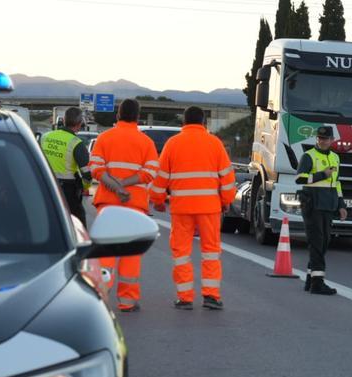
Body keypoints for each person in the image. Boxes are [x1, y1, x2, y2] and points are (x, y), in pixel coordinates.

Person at [149, 106, 236, 310]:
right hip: (209, 208)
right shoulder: (215, 143)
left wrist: (158, 200)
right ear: (203, 123)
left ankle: (185, 297)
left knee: (181, 253)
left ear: (183, 123)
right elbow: (227, 177)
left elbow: (161, 177)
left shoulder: (173, 144)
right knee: (211, 252)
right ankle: (211, 296)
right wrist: (225, 200)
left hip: (182, 208)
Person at [88, 99, 159, 312]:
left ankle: (100, 295)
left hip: (108, 204)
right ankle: (127, 301)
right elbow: (149, 173)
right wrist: (125, 186)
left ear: (118, 115)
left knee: (106, 253)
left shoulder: (105, 138)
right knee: (130, 254)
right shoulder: (146, 142)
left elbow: (96, 170)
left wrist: (116, 188)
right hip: (135, 205)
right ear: (138, 117)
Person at [296, 126, 348, 295]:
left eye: (325, 139)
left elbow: (337, 183)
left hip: (329, 204)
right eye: (319, 138)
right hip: (312, 203)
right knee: (317, 242)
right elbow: (300, 178)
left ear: (332, 140)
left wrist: (341, 205)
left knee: (324, 241)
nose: (322, 141)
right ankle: (317, 284)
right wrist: (321, 175)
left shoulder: (335, 157)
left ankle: (310, 280)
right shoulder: (309, 155)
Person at [39, 107, 91, 225]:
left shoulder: (45, 137)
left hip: (45, 185)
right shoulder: (76, 143)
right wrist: (84, 187)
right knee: (77, 222)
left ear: (63, 120)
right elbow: (87, 173)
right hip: (67, 190)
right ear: (79, 124)